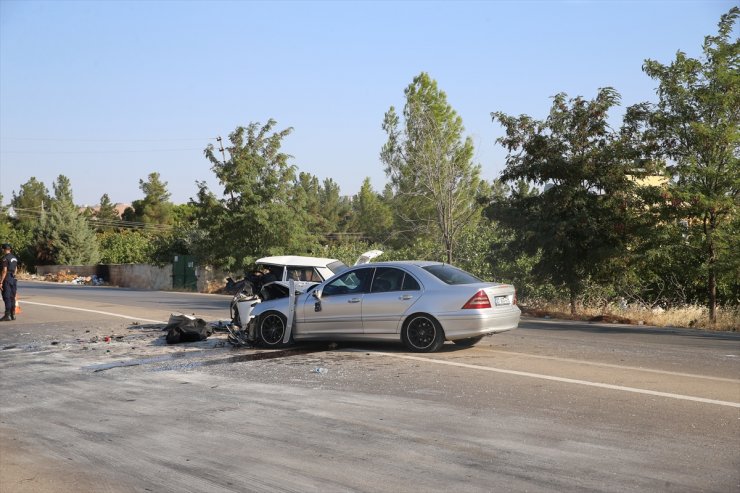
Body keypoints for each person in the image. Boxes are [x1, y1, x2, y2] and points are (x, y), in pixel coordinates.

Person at [0, 243, 18, 321]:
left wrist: (1, 282)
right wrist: (13, 276)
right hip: (13, 278)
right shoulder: (14, 258)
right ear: (10, 249)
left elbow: (4, 270)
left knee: (6, 297)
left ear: (3, 249)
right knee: (12, 297)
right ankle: (13, 314)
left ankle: (7, 315)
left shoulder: (4, 258)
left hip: (6, 278)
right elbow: (16, 269)